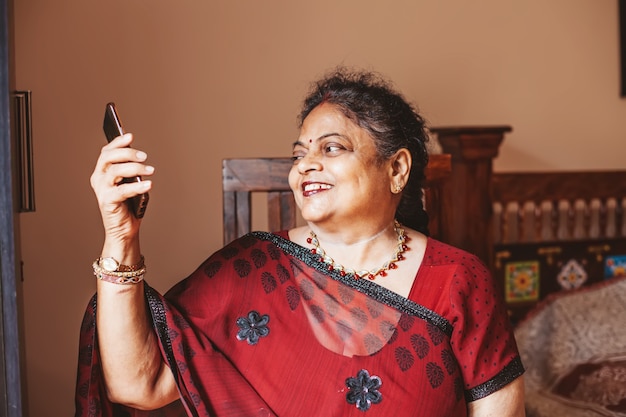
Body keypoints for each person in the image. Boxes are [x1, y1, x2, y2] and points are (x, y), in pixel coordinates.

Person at [76, 68, 526, 417]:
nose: (305, 165)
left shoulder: (458, 280)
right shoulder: (251, 269)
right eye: (299, 153)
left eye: (331, 149)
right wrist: (121, 236)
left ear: (397, 169)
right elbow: (138, 384)